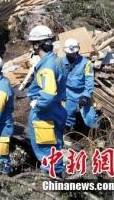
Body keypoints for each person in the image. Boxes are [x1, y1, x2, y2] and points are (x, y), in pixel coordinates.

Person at [26, 25, 67, 175]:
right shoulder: (57, 60)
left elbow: (48, 93)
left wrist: (38, 104)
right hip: (57, 109)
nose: (32, 47)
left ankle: (50, 181)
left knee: (45, 147)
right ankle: (57, 173)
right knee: (54, 144)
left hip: (45, 111)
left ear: (37, 45)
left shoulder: (47, 66)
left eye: (33, 44)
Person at [62, 39, 98, 130]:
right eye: (69, 54)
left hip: (82, 92)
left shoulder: (86, 63)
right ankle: (69, 133)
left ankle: (96, 134)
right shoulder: (61, 62)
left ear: (78, 50)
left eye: (73, 53)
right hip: (68, 93)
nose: (71, 55)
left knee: (90, 117)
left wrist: (86, 96)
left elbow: (89, 81)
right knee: (67, 115)